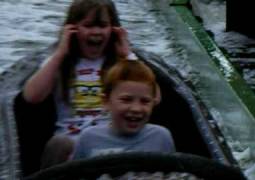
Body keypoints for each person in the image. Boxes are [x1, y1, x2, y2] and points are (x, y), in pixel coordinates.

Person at [22, 0, 134, 168]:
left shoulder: (122, 63)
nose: (96, 32)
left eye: (102, 26)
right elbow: (31, 96)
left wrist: (128, 56)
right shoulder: (60, 64)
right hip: (72, 147)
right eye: (88, 26)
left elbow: (154, 97)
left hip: (113, 142)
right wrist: (60, 54)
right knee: (58, 144)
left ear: (113, 30)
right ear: (73, 29)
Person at [73, 60, 175, 159]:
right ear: (106, 101)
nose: (136, 109)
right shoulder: (88, 138)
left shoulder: (161, 137)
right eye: (126, 100)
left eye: (145, 101)